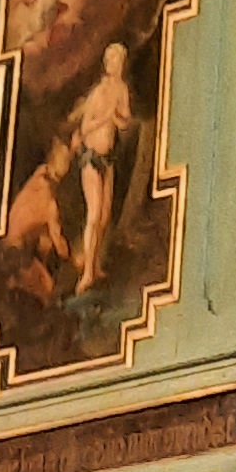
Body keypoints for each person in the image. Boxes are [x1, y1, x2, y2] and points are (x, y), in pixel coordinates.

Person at [66, 42, 137, 295]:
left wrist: (117, 117)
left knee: (105, 217)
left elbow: (125, 122)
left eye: (119, 61)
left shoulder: (122, 89)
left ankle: (95, 266)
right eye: (112, 60)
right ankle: (86, 274)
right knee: (94, 215)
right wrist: (106, 116)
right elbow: (85, 127)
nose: (115, 65)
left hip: (109, 158)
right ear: (107, 64)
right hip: (92, 158)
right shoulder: (99, 92)